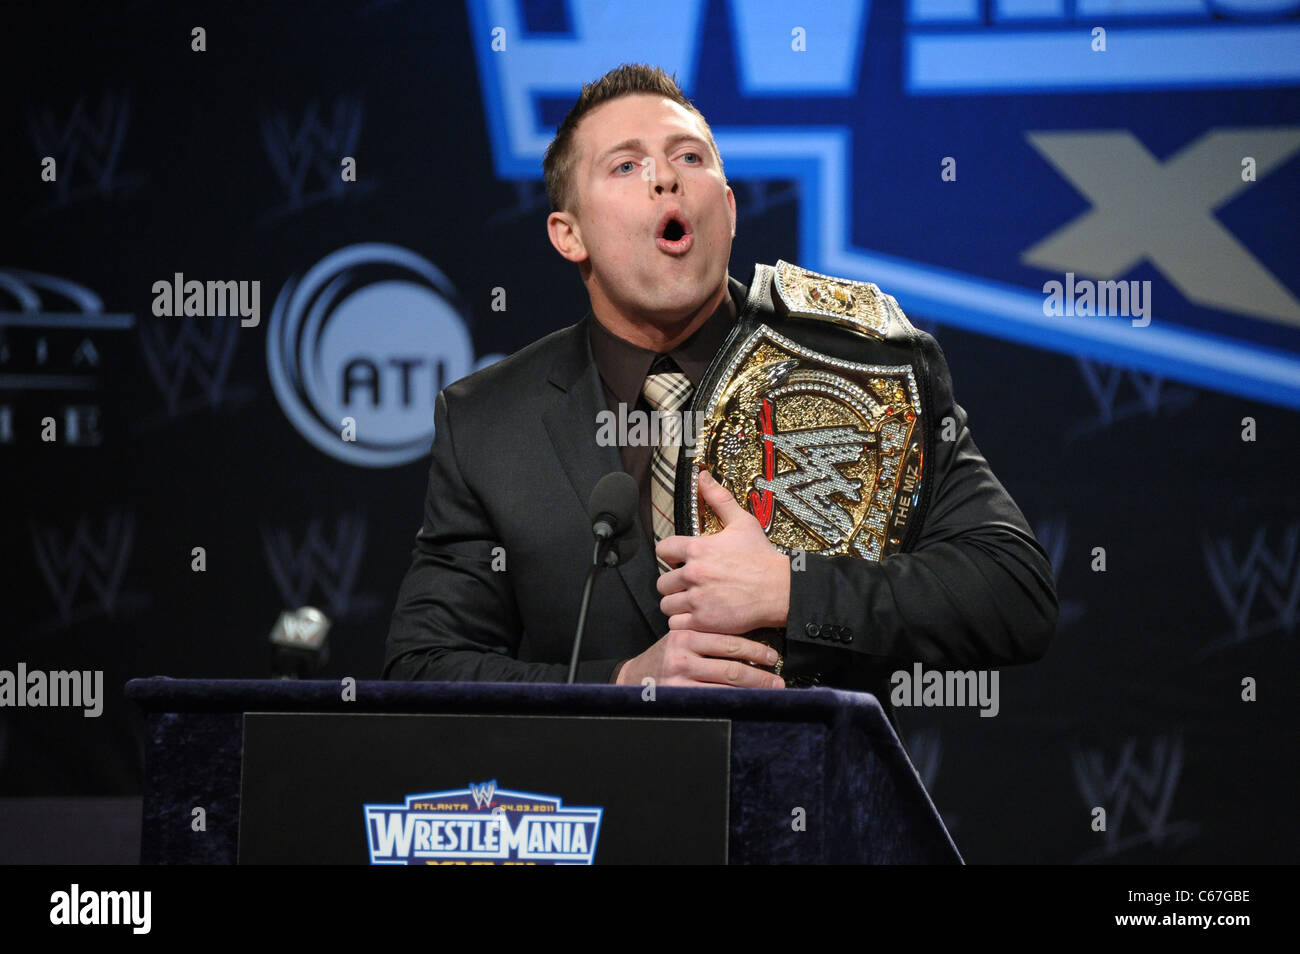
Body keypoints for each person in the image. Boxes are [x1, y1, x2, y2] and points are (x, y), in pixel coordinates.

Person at [384, 64, 1057, 725]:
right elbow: (424, 666)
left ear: (728, 210)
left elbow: (1012, 593)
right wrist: (624, 683)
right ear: (570, 234)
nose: (666, 177)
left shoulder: (866, 369)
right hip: (609, 821)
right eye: (625, 166)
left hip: (816, 814)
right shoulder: (491, 422)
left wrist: (789, 589)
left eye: (690, 157)